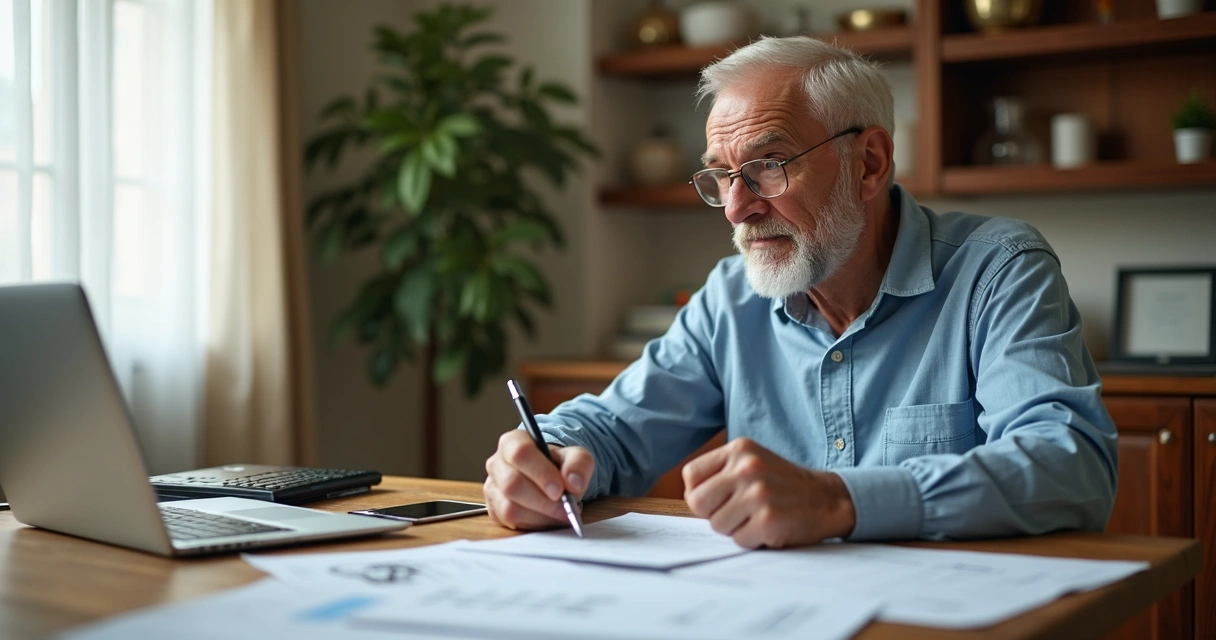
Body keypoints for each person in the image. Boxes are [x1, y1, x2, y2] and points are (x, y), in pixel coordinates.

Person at [483, 36, 1118, 548]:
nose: (737, 208)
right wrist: (548, 455)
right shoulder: (731, 298)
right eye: (721, 176)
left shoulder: (998, 270)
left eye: (767, 166)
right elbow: (616, 428)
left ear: (868, 164)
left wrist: (836, 500)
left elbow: (1070, 467)